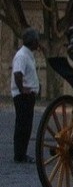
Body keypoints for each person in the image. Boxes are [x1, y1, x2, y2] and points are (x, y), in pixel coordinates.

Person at [11, 28, 41, 164]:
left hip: (28, 95)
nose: (38, 43)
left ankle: (22, 153)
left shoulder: (27, 54)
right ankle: (19, 154)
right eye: (37, 40)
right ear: (32, 41)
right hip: (23, 96)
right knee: (23, 125)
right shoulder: (22, 55)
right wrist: (22, 89)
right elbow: (18, 74)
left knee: (26, 125)